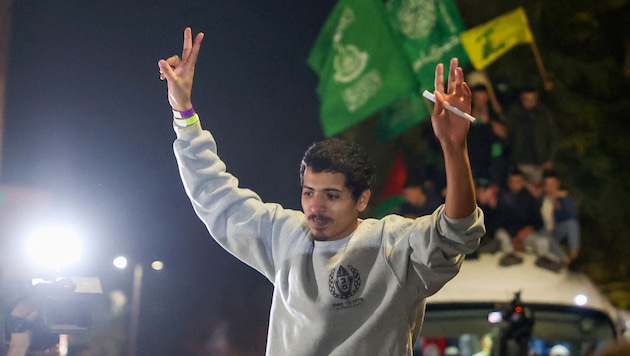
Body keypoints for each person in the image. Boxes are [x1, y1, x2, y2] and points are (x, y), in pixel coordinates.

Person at [158, 28, 484, 355]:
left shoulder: (391, 245)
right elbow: (216, 196)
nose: (315, 206)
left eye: (331, 195)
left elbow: (455, 232)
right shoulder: (283, 236)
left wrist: (454, 147)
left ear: (362, 199)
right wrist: (182, 110)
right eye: (308, 192)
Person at [493, 168, 563, 271]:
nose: (515, 184)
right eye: (512, 182)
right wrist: (514, 239)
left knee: (543, 241)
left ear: (523, 183)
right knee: (501, 235)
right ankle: (510, 255)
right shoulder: (502, 197)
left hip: (524, 235)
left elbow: (539, 222)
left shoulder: (529, 199)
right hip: (507, 234)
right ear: (508, 183)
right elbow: (499, 221)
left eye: (518, 182)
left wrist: (527, 231)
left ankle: (544, 259)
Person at [505, 86, 557, 194]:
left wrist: (550, 158)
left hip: (538, 162)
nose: (529, 103)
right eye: (526, 100)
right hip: (519, 162)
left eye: (532, 99)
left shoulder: (543, 114)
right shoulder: (514, 114)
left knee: (537, 193)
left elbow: (552, 137)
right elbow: (509, 137)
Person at [540, 170, 581, 267]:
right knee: (545, 232)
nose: (550, 188)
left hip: (555, 231)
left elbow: (572, 214)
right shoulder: (540, 199)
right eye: (547, 184)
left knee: (572, 222)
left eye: (553, 184)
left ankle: (574, 253)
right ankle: (564, 258)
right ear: (544, 186)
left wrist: (564, 198)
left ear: (558, 184)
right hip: (541, 232)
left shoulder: (562, 198)